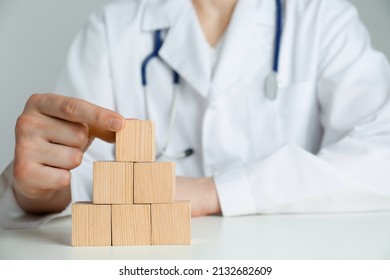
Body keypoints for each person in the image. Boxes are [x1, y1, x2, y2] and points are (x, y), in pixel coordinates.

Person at [1, 0, 390, 229]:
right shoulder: (114, 28)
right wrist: (41, 191)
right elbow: (78, 177)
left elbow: (383, 155)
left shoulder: (322, 17)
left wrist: (213, 192)